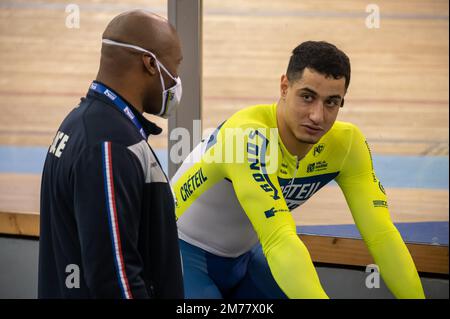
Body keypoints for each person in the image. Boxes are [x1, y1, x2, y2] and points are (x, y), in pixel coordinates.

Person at [171, 41, 425, 299]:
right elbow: (280, 239)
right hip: (178, 251)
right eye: (307, 97)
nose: (317, 116)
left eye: (331, 103)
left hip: (245, 256)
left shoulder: (346, 145)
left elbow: (381, 236)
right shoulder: (246, 137)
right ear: (284, 87)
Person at [38, 10, 184, 298]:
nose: (177, 80)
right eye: (175, 66)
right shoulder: (109, 146)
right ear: (151, 64)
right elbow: (115, 276)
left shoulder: (83, 123)